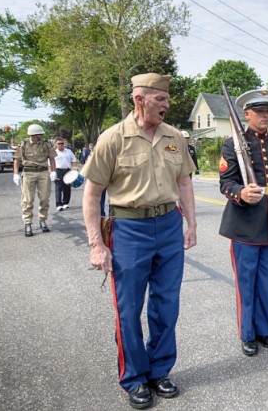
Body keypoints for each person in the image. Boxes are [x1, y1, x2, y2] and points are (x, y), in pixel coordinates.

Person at [82, 73, 197, 410]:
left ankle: (159, 370)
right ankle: (134, 377)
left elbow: (185, 182)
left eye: (167, 98)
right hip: (129, 229)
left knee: (167, 305)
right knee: (128, 309)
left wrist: (190, 224)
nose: (167, 104)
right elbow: (92, 195)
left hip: (169, 225)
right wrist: (96, 244)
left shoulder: (174, 137)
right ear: (140, 99)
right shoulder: (112, 138)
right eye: (160, 98)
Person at [218, 90, 268, 356]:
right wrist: (239, 192)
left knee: (267, 281)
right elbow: (225, 182)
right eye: (259, 111)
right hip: (245, 224)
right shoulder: (233, 144)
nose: (265, 115)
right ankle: (247, 334)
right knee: (246, 282)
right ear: (246, 114)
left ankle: (264, 329)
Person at [12, 124, 56, 237]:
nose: (42, 135)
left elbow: (52, 158)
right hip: (28, 172)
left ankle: (42, 219)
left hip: (43, 172)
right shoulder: (24, 144)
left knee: (45, 198)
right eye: (40, 134)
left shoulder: (46, 144)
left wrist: (53, 171)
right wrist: (15, 174)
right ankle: (27, 223)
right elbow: (17, 160)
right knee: (27, 200)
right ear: (34, 135)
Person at [53, 138, 78, 211]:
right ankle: (58, 204)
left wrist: (74, 166)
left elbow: (73, 160)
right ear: (56, 144)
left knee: (67, 187)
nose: (61, 145)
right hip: (58, 170)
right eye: (59, 143)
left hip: (67, 170)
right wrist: (51, 172)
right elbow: (49, 163)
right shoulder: (54, 152)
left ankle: (65, 203)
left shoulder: (68, 151)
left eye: (62, 143)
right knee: (58, 187)